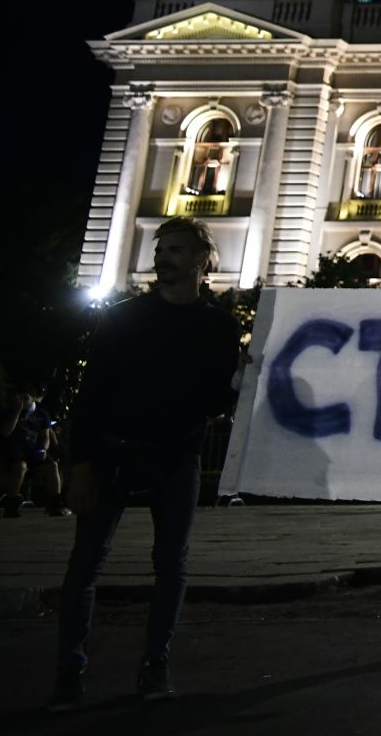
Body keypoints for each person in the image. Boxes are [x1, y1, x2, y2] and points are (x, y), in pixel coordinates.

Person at [48, 217, 243, 710]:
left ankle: (156, 663)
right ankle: (69, 672)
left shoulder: (220, 326)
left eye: (176, 249)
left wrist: (249, 379)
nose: (163, 257)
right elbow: (91, 397)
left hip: (177, 458)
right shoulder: (123, 317)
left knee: (171, 566)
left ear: (202, 259)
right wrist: (81, 464)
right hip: (114, 453)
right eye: (161, 249)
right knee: (84, 567)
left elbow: (216, 397)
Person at [0, 380, 64, 517]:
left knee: (52, 465)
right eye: (21, 397)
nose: (23, 401)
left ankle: (55, 504)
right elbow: (5, 432)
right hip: (14, 454)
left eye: (26, 398)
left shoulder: (42, 414)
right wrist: (17, 412)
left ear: (33, 398)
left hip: (33, 452)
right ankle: (11, 506)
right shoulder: (8, 412)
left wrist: (43, 449)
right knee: (20, 467)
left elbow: (45, 437)